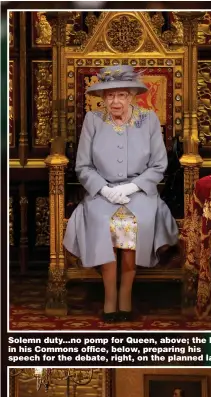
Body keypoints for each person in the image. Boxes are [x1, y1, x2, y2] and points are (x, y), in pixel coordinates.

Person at [63, 66, 178, 323]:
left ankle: (125, 294)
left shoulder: (148, 119)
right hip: (100, 192)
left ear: (131, 96)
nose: (115, 101)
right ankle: (109, 296)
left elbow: (159, 165)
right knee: (104, 223)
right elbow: (83, 166)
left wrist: (132, 187)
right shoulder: (93, 120)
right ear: (103, 98)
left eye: (121, 95)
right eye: (110, 95)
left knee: (132, 225)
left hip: (140, 192)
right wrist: (104, 189)